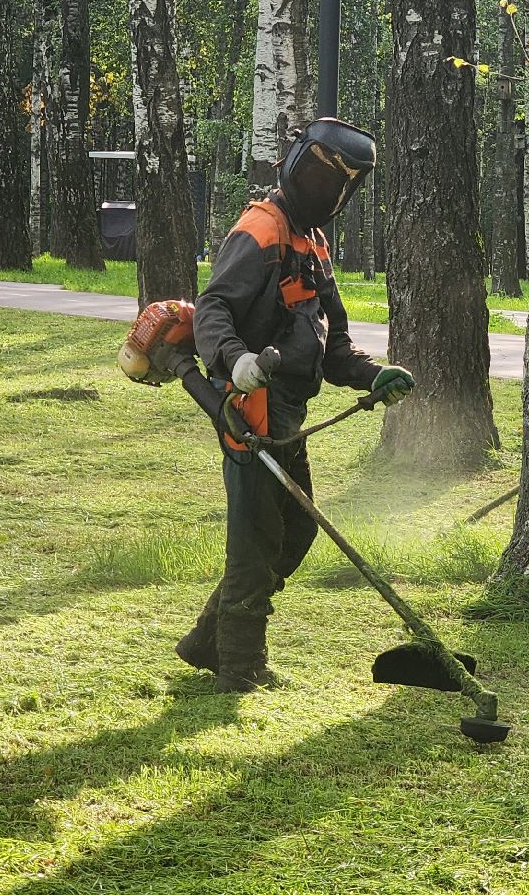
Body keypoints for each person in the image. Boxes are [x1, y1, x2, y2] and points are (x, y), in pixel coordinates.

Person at [178, 117, 415, 692]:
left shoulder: (314, 244)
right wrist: (236, 360)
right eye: (318, 175)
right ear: (293, 164)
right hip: (251, 404)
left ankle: (209, 640)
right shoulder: (260, 230)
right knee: (257, 537)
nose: (326, 190)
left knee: (293, 533)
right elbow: (212, 309)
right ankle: (239, 665)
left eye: (340, 184)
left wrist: (371, 374)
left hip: (288, 414)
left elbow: (331, 347)